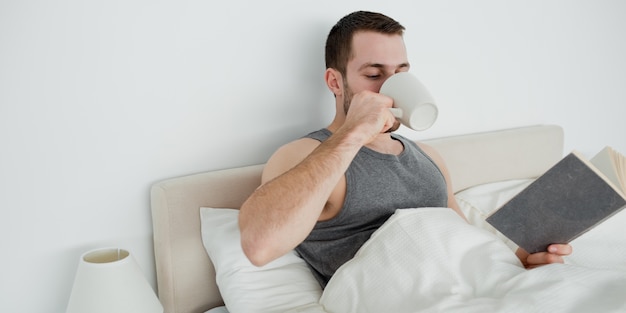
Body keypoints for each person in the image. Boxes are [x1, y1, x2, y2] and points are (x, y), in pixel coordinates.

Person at [238, 10, 572, 288]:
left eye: (401, 73)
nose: (392, 88)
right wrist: (355, 131)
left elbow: (467, 249)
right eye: (374, 74)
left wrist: (520, 263)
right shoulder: (304, 154)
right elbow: (259, 245)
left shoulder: (429, 158)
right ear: (335, 82)